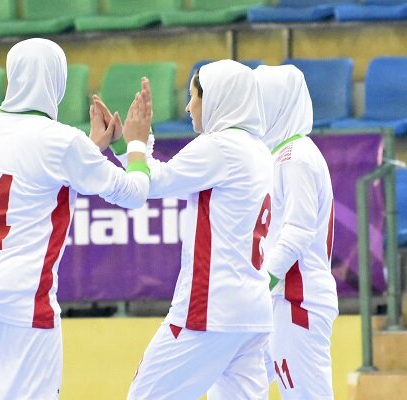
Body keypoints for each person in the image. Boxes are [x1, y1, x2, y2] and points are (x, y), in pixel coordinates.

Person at [0, 38, 152, 400]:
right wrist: (137, 144)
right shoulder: (63, 142)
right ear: (58, 80)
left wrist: (89, 151)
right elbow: (134, 193)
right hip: (17, 296)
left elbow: (27, 173)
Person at [99, 60, 275, 399]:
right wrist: (129, 145)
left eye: (194, 96)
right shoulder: (257, 150)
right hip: (251, 313)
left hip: (210, 311)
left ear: (218, 98)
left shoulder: (221, 146)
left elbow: (153, 183)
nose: (187, 106)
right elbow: (163, 178)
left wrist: (136, 143)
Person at [254, 65, 338, 400]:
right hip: (281, 300)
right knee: (239, 381)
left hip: (296, 299)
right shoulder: (280, 156)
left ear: (278, 105)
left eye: (259, 103)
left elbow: (298, 231)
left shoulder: (295, 157)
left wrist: (263, 282)